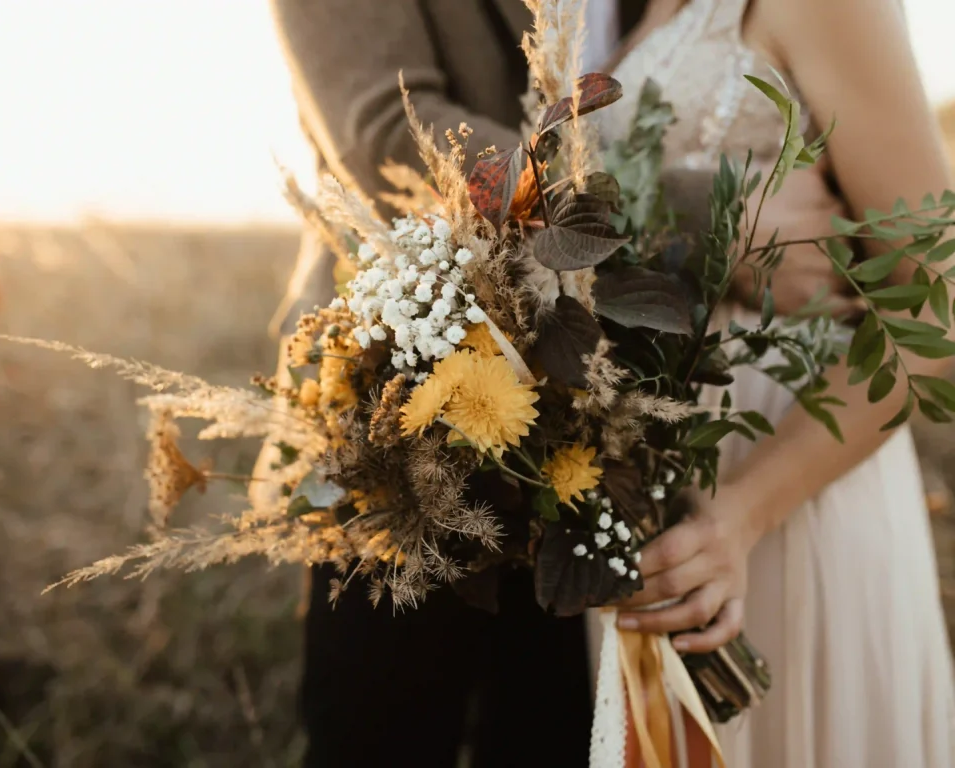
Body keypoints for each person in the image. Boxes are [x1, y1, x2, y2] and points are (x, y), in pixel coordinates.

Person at [265, 0, 864, 765]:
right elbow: (390, 138)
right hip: (409, 407)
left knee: (557, 733)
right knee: (383, 725)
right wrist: (701, 219)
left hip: (601, 421)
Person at [582, 0, 955, 766]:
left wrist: (741, 515)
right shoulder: (627, 16)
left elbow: (935, 308)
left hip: (790, 496)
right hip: (659, 526)